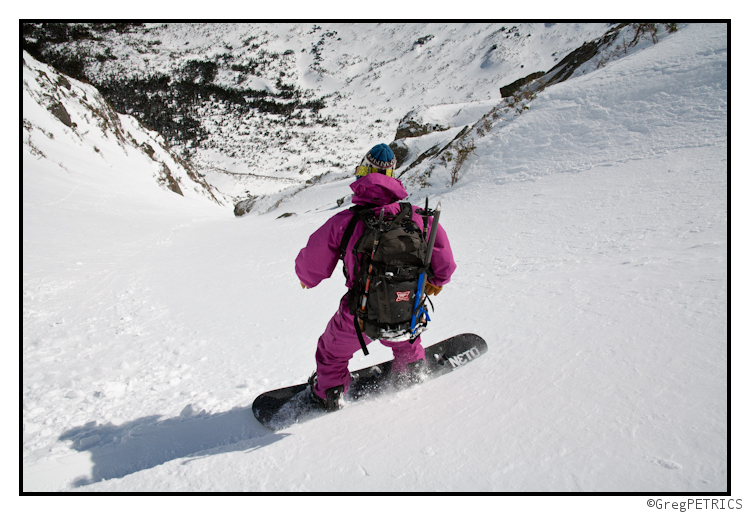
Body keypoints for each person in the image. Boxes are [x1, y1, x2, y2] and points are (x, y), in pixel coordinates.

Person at [295, 143, 457, 411]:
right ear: (394, 178)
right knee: (406, 338)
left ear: (361, 176)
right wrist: (436, 281)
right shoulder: (419, 217)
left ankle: (329, 393)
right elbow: (445, 265)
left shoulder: (344, 222)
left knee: (332, 351)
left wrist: (306, 278)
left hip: (360, 312)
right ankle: (413, 372)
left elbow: (311, 264)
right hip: (408, 305)